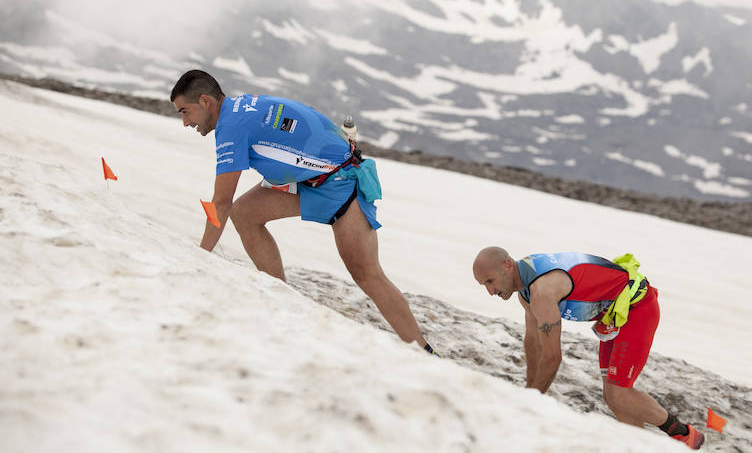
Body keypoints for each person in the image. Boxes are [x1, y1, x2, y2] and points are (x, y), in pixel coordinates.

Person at [171, 69, 435, 353]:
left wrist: (199, 259)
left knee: (368, 275)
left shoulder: (231, 127)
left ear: (206, 102)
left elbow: (220, 202)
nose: (185, 122)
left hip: (342, 184)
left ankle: (424, 351)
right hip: (312, 179)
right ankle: (281, 299)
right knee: (246, 212)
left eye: (185, 112)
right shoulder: (240, 107)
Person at [472, 246, 704, 449]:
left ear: (507, 264)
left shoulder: (541, 291)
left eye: (490, 281)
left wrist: (531, 401)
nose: (490, 291)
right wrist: (528, 391)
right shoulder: (525, 291)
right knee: (614, 397)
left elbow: (552, 358)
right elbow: (533, 342)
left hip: (638, 309)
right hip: (614, 317)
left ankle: (684, 434)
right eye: (484, 286)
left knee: (618, 393)